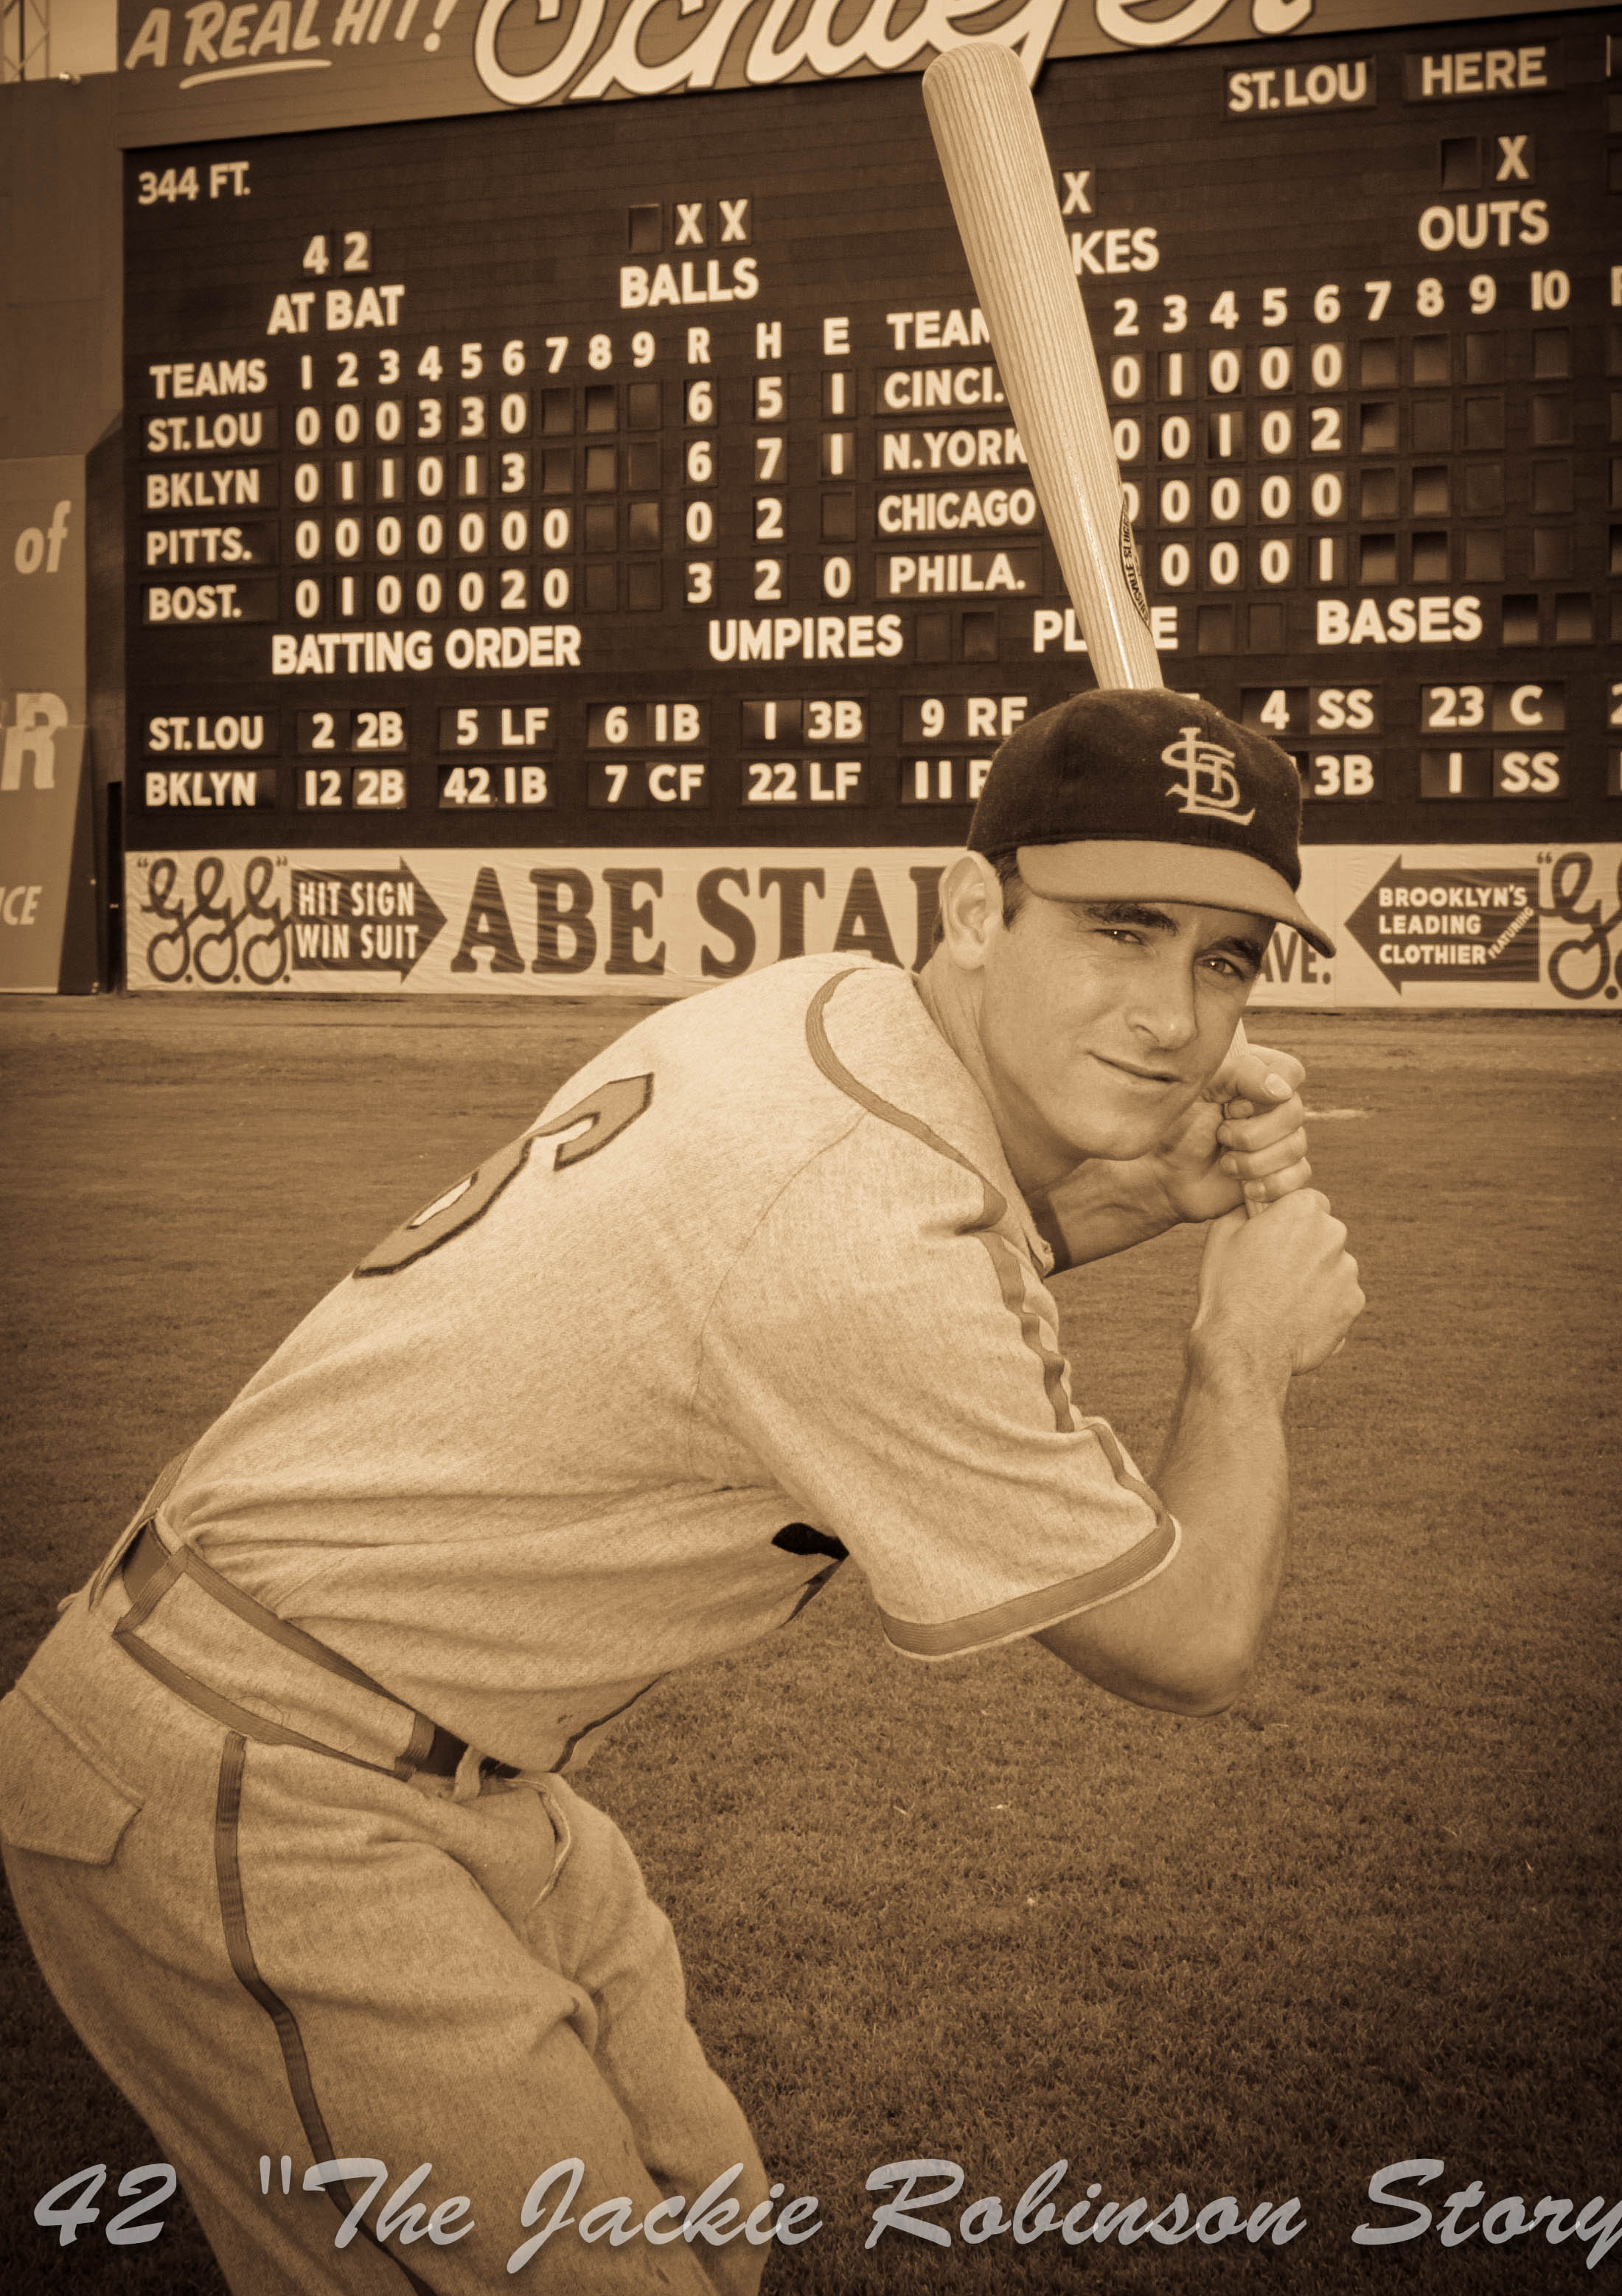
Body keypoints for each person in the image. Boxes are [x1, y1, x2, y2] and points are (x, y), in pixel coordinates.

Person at [1, 687, 1362, 2295]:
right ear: (977, 907)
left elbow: (792, 1292)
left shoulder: (823, 1008)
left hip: (431, 1758)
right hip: (259, 1776)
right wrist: (1242, 1349)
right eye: (1121, 931)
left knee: (705, 2234)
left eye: (1225, 958)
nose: (1174, 1016)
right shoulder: (858, 1243)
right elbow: (1186, 1640)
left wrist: (1136, 1188)